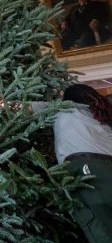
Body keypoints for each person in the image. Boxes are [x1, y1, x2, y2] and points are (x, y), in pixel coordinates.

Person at [30, 85, 112, 242]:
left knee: (100, 225)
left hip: (86, 167)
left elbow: (17, 107)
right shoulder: (105, 112)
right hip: (108, 165)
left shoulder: (63, 108)